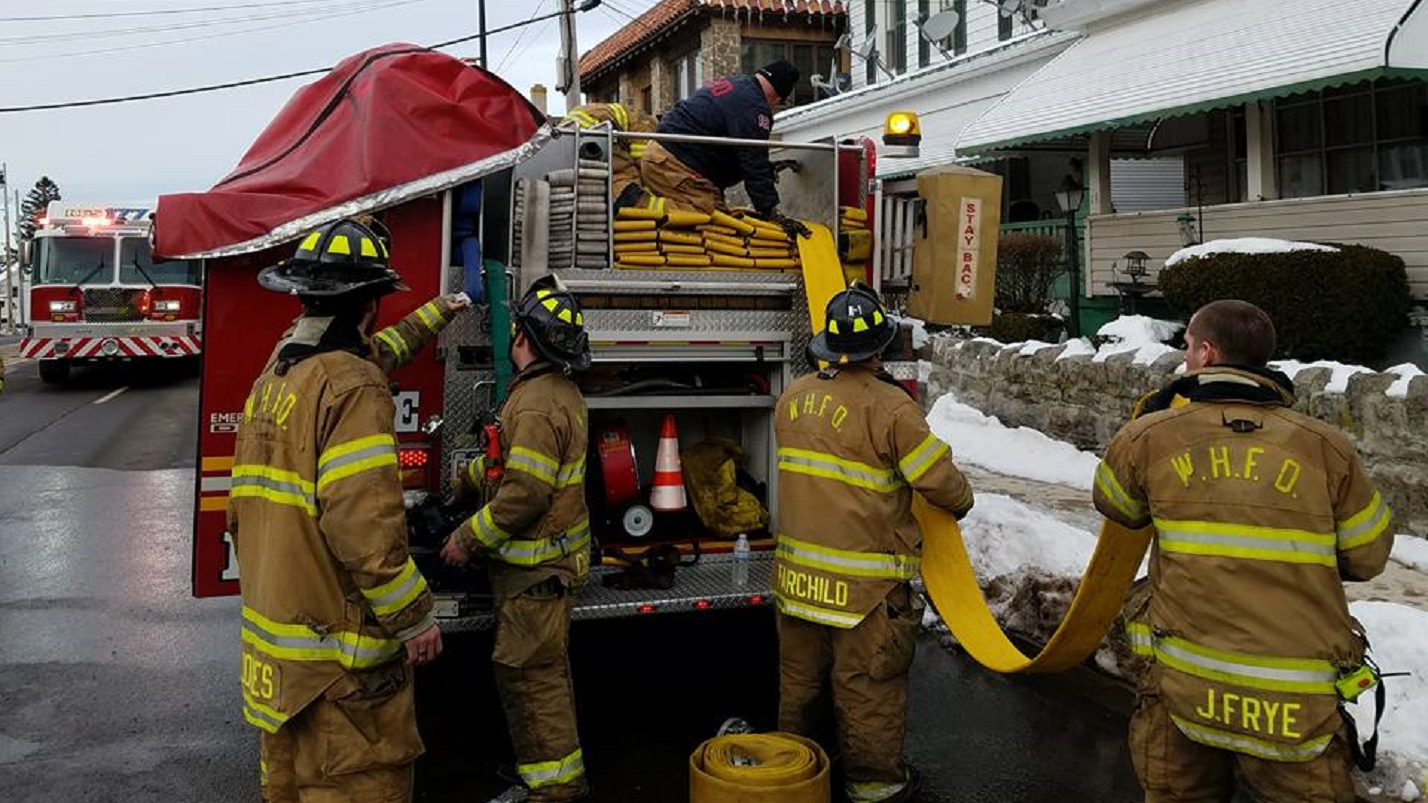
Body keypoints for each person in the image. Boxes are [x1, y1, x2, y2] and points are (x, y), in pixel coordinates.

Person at [1093, 299, 1395, 803]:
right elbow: (1368, 557)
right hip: (1293, 705)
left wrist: (1144, 430)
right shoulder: (1327, 448)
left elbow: (1117, 507)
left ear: (1208, 354)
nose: (1184, 357)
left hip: (1182, 690)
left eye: (1188, 347)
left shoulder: (1149, 436)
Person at [229, 219, 444, 803]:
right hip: (341, 670)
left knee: (286, 788)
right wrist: (415, 618)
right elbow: (364, 529)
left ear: (301, 295)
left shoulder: (279, 371)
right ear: (372, 303)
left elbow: (238, 513)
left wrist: (439, 313)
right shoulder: (354, 387)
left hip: (281, 662)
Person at [774, 283, 974, 803]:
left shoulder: (792, 398)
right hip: (865, 591)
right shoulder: (892, 409)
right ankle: (875, 786)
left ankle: (795, 775)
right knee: (867, 689)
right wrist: (963, 499)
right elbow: (942, 484)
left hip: (798, 583)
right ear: (880, 345)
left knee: (801, 685)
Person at [440, 274, 593, 802]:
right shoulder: (551, 392)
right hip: (546, 569)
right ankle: (551, 780)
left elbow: (525, 493)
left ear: (523, 337)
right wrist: (468, 478)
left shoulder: (535, 405)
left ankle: (556, 790)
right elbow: (512, 467)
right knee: (541, 674)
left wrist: (466, 538)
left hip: (535, 574)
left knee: (532, 681)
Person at [635, 60, 804, 234]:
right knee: (718, 227)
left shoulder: (736, 84)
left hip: (659, 156)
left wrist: (765, 169)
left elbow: (728, 147)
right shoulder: (755, 107)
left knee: (704, 222)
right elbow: (753, 161)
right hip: (676, 166)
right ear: (777, 98)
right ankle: (636, 206)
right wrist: (770, 212)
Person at [565, 102, 657, 204]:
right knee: (625, 175)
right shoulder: (647, 125)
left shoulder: (633, 116)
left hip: (570, 133)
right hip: (597, 130)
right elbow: (643, 161)